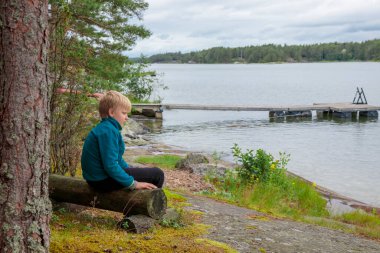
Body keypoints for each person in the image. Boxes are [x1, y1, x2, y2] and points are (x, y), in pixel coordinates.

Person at [81, 90, 164, 192]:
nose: (126, 117)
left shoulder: (106, 128)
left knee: (138, 170)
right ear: (111, 112)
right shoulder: (108, 131)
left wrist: (129, 169)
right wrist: (133, 183)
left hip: (96, 178)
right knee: (157, 174)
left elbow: (117, 159)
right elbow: (110, 165)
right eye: (124, 113)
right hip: (101, 181)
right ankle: (147, 203)